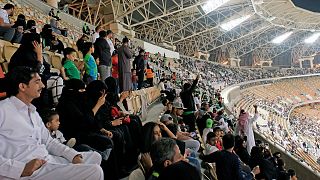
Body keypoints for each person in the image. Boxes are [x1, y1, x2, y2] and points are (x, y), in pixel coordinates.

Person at [0, 66, 104, 179]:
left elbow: (49, 142)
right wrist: (20, 169)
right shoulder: (3, 110)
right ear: (23, 86)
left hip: (47, 161)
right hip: (30, 172)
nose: (43, 86)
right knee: (95, 171)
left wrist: (72, 155)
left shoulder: (33, 112)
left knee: (95, 157)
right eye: (37, 82)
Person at [9, 33, 63, 107]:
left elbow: (46, 67)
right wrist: (40, 55)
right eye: (39, 42)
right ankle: (57, 105)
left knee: (57, 78)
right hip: (23, 81)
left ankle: (56, 105)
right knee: (57, 79)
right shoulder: (24, 54)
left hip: (34, 79)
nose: (41, 45)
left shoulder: (33, 53)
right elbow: (38, 71)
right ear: (34, 43)